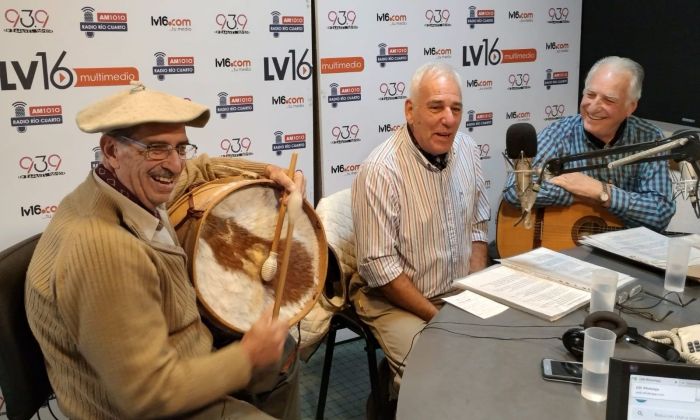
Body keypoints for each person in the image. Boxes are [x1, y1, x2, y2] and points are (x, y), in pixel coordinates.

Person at [25, 83, 304, 420]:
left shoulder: (127, 187)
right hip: (143, 407)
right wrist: (246, 358)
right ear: (111, 150)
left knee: (283, 355)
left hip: (180, 353)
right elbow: (146, 396)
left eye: (180, 148)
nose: (173, 165)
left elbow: (201, 168)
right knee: (268, 362)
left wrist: (272, 174)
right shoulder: (105, 249)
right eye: (155, 149)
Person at [350, 62, 490, 394]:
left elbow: (478, 225)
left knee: (505, 348)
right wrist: (439, 317)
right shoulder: (380, 171)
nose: (449, 119)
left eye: (456, 108)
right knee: (439, 370)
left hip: (456, 292)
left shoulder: (469, 150)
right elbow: (381, 269)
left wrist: (473, 292)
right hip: (392, 299)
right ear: (410, 111)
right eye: (436, 107)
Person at [503, 56, 676, 231]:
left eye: (609, 100)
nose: (593, 106)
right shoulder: (560, 133)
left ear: (630, 107)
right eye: (590, 95)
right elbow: (515, 191)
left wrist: (602, 193)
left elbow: (660, 213)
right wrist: (580, 192)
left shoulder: (650, 138)